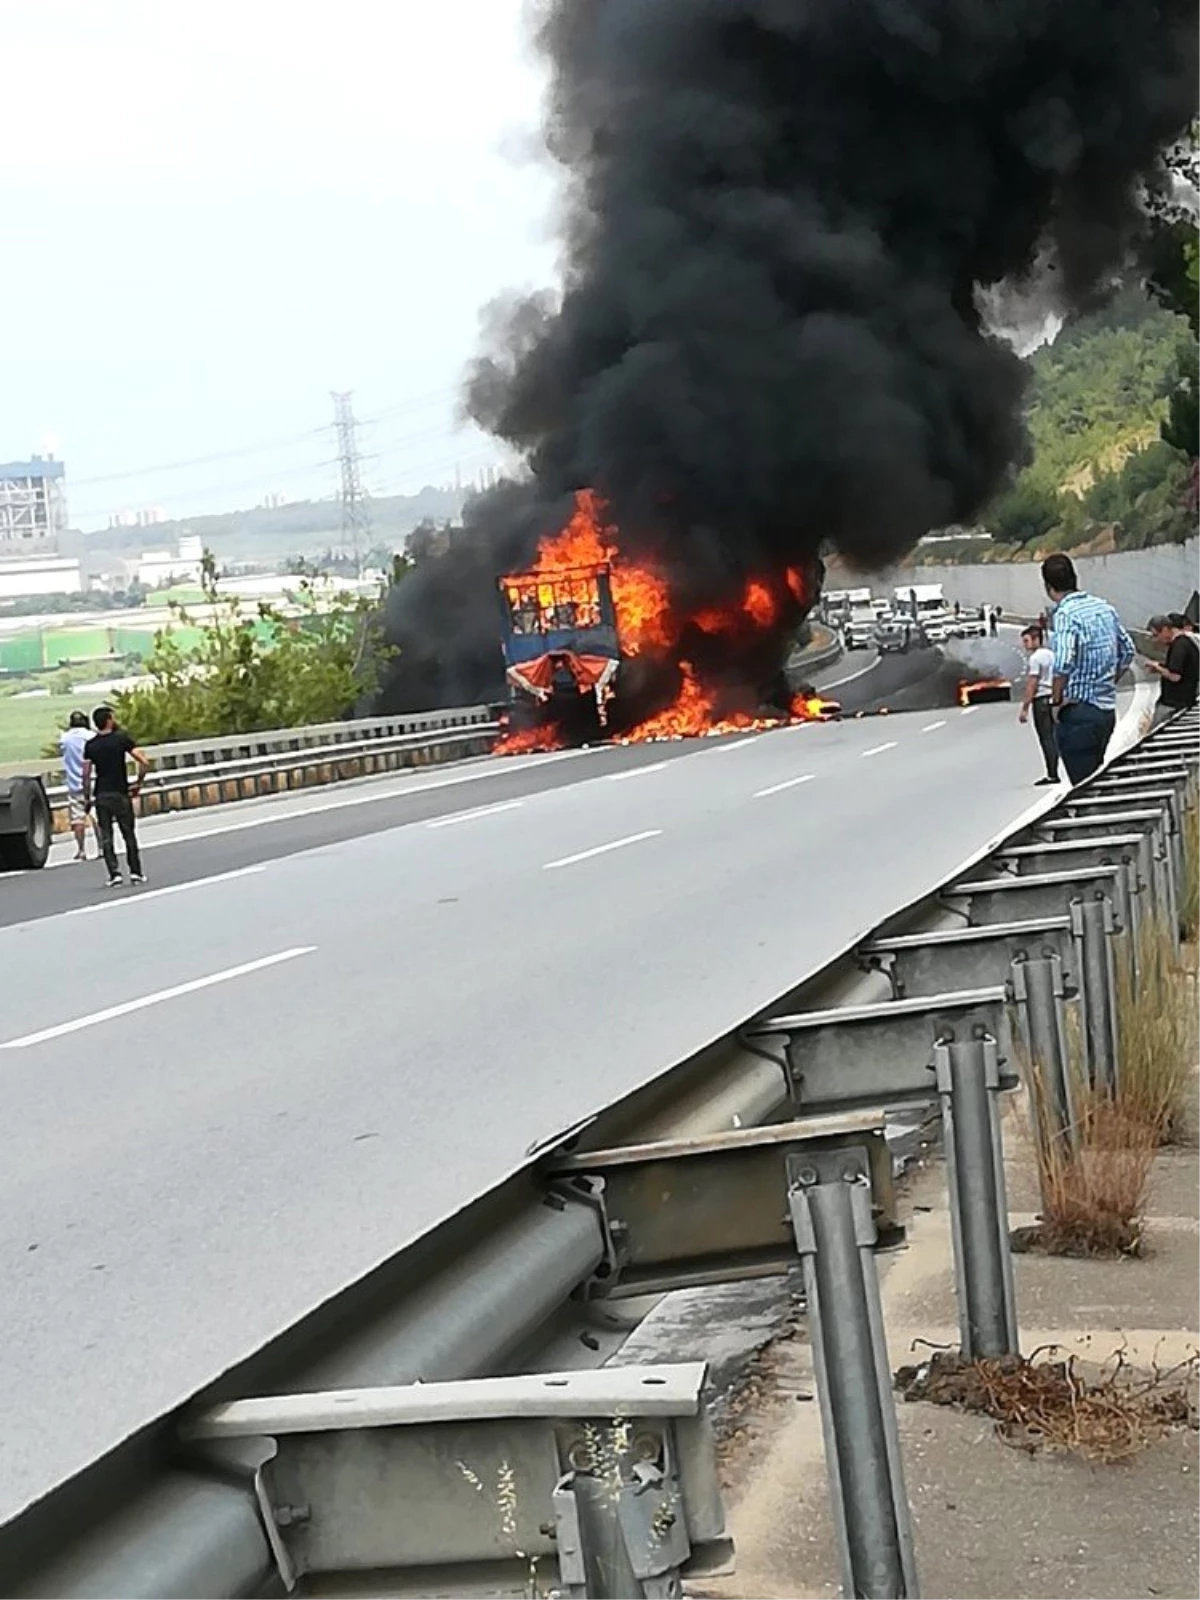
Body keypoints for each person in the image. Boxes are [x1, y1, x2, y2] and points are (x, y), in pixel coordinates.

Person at [1042, 554, 1134, 785]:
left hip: (1078, 712)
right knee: (1097, 778)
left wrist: (1056, 701)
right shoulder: (1103, 607)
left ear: (1048, 587)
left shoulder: (1064, 614)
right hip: (1106, 710)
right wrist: (1108, 682)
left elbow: (1063, 663)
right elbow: (1128, 651)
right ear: (1075, 578)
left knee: (1084, 789)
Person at [82, 706, 149, 887]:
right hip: (120, 792)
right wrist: (138, 782)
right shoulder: (121, 740)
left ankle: (114, 874)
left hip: (102, 794)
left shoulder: (91, 745)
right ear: (110, 720)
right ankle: (135, 872)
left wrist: (87, 797)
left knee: (107, 836)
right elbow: (143, 761)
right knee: (128, 834)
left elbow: (86, 774)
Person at [1017, 625, 1059, 785]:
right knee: (1054, 736)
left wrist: (1025, 708)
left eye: (1027, 641)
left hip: (1041, 699)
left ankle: (1052, 774)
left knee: (1046, 737)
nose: (1025, 645)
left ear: (1036, 639)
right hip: (1053, 698)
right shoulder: (1052, 655)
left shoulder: (1035, 659)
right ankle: (1058, 770)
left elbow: (1032, 684)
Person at [1145, 614, 1199, 729]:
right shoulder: (1186, 643)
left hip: (1173, 704)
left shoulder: (1179, 646)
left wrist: (1157, 667)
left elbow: (1175, 676)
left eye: (1156, 635)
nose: (1157, 640)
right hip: (1183, 701)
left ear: (1165, 629)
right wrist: (1160, 667)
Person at [58, 709, 93, 861]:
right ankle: (102, 847)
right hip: (93, 781)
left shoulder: (65, 738)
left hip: (74, 783)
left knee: (77, 819)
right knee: (97, 816)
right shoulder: (91, 736)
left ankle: (81, 850)